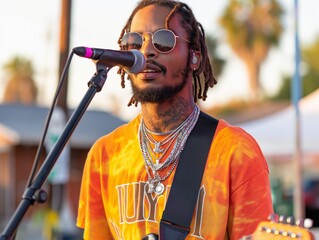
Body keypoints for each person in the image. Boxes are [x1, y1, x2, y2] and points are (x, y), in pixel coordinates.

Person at [76, 0, 274, 239]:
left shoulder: (235, 151)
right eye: (134, 42)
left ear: (194, 58)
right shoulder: (104, 155)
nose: (146, 50)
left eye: (164, 40)